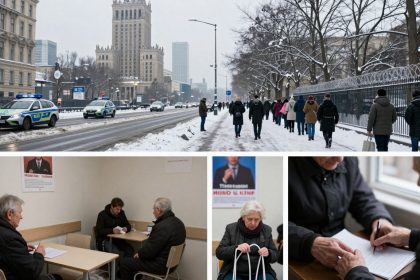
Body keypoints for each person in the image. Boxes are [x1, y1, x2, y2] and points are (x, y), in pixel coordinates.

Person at [289, 157, 396, 271]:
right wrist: (310, 242)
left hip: (345, 251)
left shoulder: (349, 161)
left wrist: (380, 221)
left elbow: (363, 199)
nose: (340, 159)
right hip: (300, 258)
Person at [334, 157, 420, 280]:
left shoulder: (348, 161)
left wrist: (355, 274)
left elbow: (364, 199)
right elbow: (363, 199)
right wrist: (411, 237)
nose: (418, 183)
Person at [120, 197, 186, 279]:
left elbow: (150, 251)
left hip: (160, 266)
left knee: (124, 262)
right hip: (172, 265)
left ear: (158, 210)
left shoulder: (162, 226)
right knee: (134, 260)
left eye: (154, 209)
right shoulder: (179, 223)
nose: (153, 212)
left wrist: (139, 254)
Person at [0, 194, 62, 280]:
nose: (21, 217)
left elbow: (8, 254)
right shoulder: (10, 238)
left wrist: (22, 248)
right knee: (57, 277)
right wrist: (39, 254)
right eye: (20, 212)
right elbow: (33, 272)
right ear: (10, 214)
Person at [216, 201, 278, 280]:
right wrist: (236, 248)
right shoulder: (231, 229)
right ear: (243, 217)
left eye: (256, 220)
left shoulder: (267, 230)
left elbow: (276, 254)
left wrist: (268, 253)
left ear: (261, 218)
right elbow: (219, 252)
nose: (253, 223)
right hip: (234, 271)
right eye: (250, 219)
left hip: (260, 272)